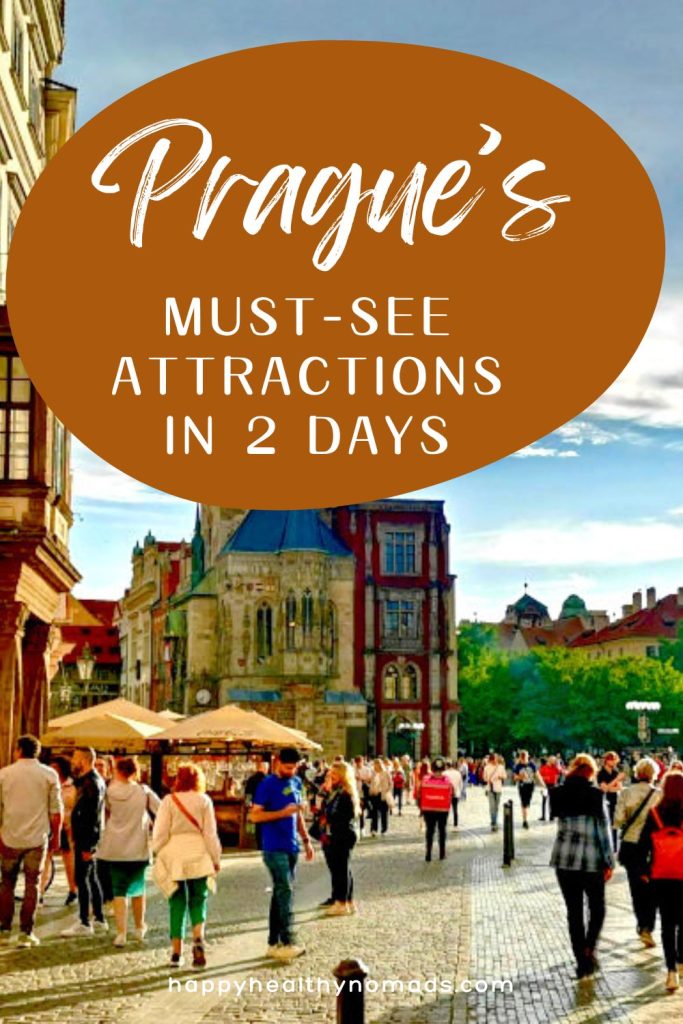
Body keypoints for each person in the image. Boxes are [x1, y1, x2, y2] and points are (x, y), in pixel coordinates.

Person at [550, 754, 614, 980]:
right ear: (591, 772)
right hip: (591, 861)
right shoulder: (596, 795)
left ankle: (581, 960)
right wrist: (609, 861)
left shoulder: (558, 793)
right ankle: (589, 948)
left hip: (564, 861)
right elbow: (605, 833)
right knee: (598, 908)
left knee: (574, 912)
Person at [152, 762, 221, 969]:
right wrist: (215, 858)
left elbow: (161, 832)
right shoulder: (204, 801)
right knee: (199, 899)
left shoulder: (169, 801)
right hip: (199, 853)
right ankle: (198, 938)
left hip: (174, 855)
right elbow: (210, 833)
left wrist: (158, 851)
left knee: (177, 902)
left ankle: (176, 953)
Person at [250, 747, 314, 959]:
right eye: (288, 767)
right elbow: (255, 816)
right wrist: (281, 813)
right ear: (278, 762)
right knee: (285, 890)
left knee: (280, 893)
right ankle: (287, 940)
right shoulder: (267, 784)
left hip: (292, 845)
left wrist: (306, 840)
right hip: (273, 846)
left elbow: (297, 815)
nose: (292, 770)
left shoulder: (296, 782)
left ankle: (273, 942)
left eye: (295, 767)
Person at [0, 735, 63, 946]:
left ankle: (4, 928)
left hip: (9, 835)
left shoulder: (4, 774)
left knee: (6, 883)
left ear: (18, 750)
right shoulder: (49, 775)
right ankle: (26, 932)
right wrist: (56, 836)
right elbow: (56, 811)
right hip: (37, 837)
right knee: (32, 884)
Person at [97, 756, 160, 947]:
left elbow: (103, 815)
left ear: (117, 770)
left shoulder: (108, 792)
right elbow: (162, 810)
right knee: (138, 889)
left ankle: (121, 933)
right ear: (135, 771)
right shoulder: (143, 791)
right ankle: (140, 927)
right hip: (137, 848)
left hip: (113, 847)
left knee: (119, 890)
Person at [638, 770, 683, 992]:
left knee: (667, 923)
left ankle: (671, 971)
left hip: (661, 875)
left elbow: (642, 846)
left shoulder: (655, 813)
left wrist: (645, 870)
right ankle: (682, 961)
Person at [61, 747, 108, 938]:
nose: (73, 762)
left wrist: (89, 844)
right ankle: (98, 917)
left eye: (76, 759)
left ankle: (84, 921)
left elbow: (92, 816)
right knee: (91, 877)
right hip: (85, 837)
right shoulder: (90, 781)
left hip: (86, 838)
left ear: (85, 760)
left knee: (82, 879)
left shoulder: (92, 784)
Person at [614, 757, 660, 948]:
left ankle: (643, 925)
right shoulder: (660, 794)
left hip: (632, 845)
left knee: (636, 887)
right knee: (654, 887)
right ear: (654, 775)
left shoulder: (626, 793)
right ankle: (649, 923)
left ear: (636, 773)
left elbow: (617, 820)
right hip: (655, 847)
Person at [317, 760, 359, 915]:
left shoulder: (345, 794)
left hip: (341, 834)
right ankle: (345, 900)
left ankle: (341, 903)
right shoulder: (336, 791)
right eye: (330, 773)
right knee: (340, 869)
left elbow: (344, 816)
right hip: (333, 834)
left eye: (334, 774)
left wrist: (328, 819)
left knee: (341, 870)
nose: (331, 776)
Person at [43, 756, 77, 906]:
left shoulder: (72, 786)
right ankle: (40, 891)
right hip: (49, 825)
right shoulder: (47, 783)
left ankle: (73, 890)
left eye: (56, 767)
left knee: (69, 860)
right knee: (45, 859)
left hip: (69, 827)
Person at [419, 757, 454, 861]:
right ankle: (442, 854)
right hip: (443, 810)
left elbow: (420, 794)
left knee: (430, 831)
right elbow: (451, 794)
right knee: (442, 830)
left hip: (428, 809)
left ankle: (428, 853)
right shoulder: (447, 781)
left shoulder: (425, 779)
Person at [597, 751, 624, 852]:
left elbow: (619, 788)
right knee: (604, 823)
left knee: (614, 824)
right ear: (607, 761)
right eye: (612, 760)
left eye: (615, 760)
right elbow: (604, 788)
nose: (614, 762)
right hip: (604, 800)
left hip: (614, 800)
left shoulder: (615, 772)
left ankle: (614, 847)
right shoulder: (601, 773)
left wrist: (611, 786)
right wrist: (616, 780)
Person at [513, 750, 538, 829]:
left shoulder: (532, 765)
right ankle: (525, 820)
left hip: (531, 786)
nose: (524, 758)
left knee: (527, 803)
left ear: (528, 756)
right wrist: (521, 777)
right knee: (524, 803)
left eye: (525, 756)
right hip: (522, 786)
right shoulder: (518, 766)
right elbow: (515, 778)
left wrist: (543, 785)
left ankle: (525, 817)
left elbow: (537, 775)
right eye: (522, 756)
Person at [482, 753, 507, 832]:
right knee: (492, 806)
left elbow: (505, 776)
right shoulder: (486, 767)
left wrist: (500, 777)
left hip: (498, 788)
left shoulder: (501, 767)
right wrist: (488, 779)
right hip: (490, 788)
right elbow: (484, 778)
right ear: (491, 759)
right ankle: (494, 823)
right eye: (495, 759)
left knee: (496, 806)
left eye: (497, 759)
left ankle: (494, 820)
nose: (496, 760)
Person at [368, 758, 392, 837]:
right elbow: (371, 783)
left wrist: (388, 791)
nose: (375, 766)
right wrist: (371, 791)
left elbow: (391, 783)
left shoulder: (386, 773)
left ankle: (384, 829)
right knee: (374, 812)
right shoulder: (373, 773)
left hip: (383, 795)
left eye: (377, 764)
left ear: (380, 765)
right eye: (375, 764)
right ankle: (374, 829)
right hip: (375, 794)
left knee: (384, 813)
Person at [539, 756, 562, 822]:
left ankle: (551, 816)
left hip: (553, 785)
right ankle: (543, 816)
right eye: (552, 760)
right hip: (545, 785)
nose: (553, 761)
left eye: (554, 760)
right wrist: (545, 778)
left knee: (552, 801)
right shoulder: (544, 767)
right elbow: (540, 776)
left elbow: (559, 772)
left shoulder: (555, 767)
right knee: (544, 801)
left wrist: (557, 763)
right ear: (549, 760)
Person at [444, 759, 464, 829]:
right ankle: (455, 823)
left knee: (446, 808)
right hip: (456, 793)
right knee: (455, 808)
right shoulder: (458, 773)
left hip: (447, 794)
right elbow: (461, 784)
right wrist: (459, 791)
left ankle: (445, 822)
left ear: (447, 766)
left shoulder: (445, 773)